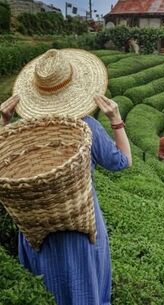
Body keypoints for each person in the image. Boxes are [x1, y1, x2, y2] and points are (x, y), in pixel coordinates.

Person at [0, 48, 132, 305]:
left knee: (44, 292)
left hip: (36, 232)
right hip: (79, 228)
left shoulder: (23, 132)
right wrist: (116, 120)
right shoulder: (87, 127)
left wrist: (4, 122)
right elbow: (122, 162)